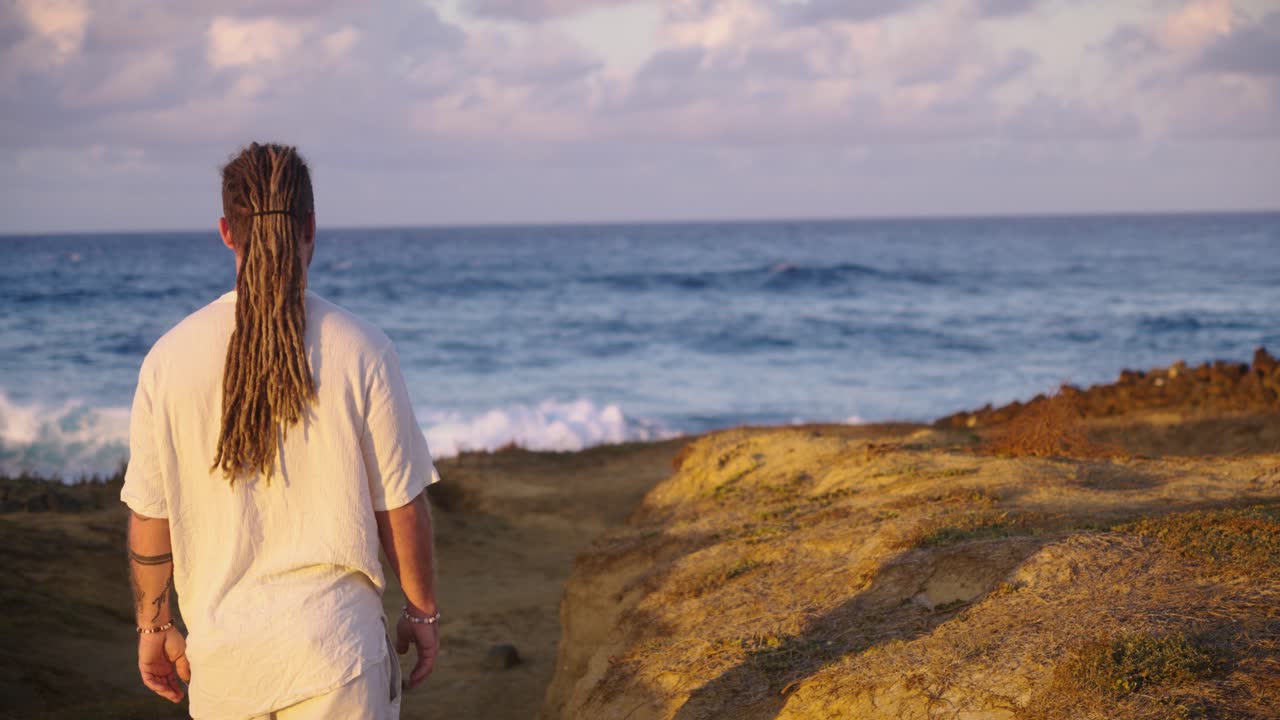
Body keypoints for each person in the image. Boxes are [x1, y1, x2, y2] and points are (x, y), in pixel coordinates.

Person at [122, 142, 441, 719]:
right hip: (339, 658)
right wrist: (421, 612)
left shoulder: (168, 360)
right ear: (311, 226)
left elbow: (150, 516)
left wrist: (154, 624)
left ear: (226, 231)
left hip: (225, 667)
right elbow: (400, 504)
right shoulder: (362, 348)